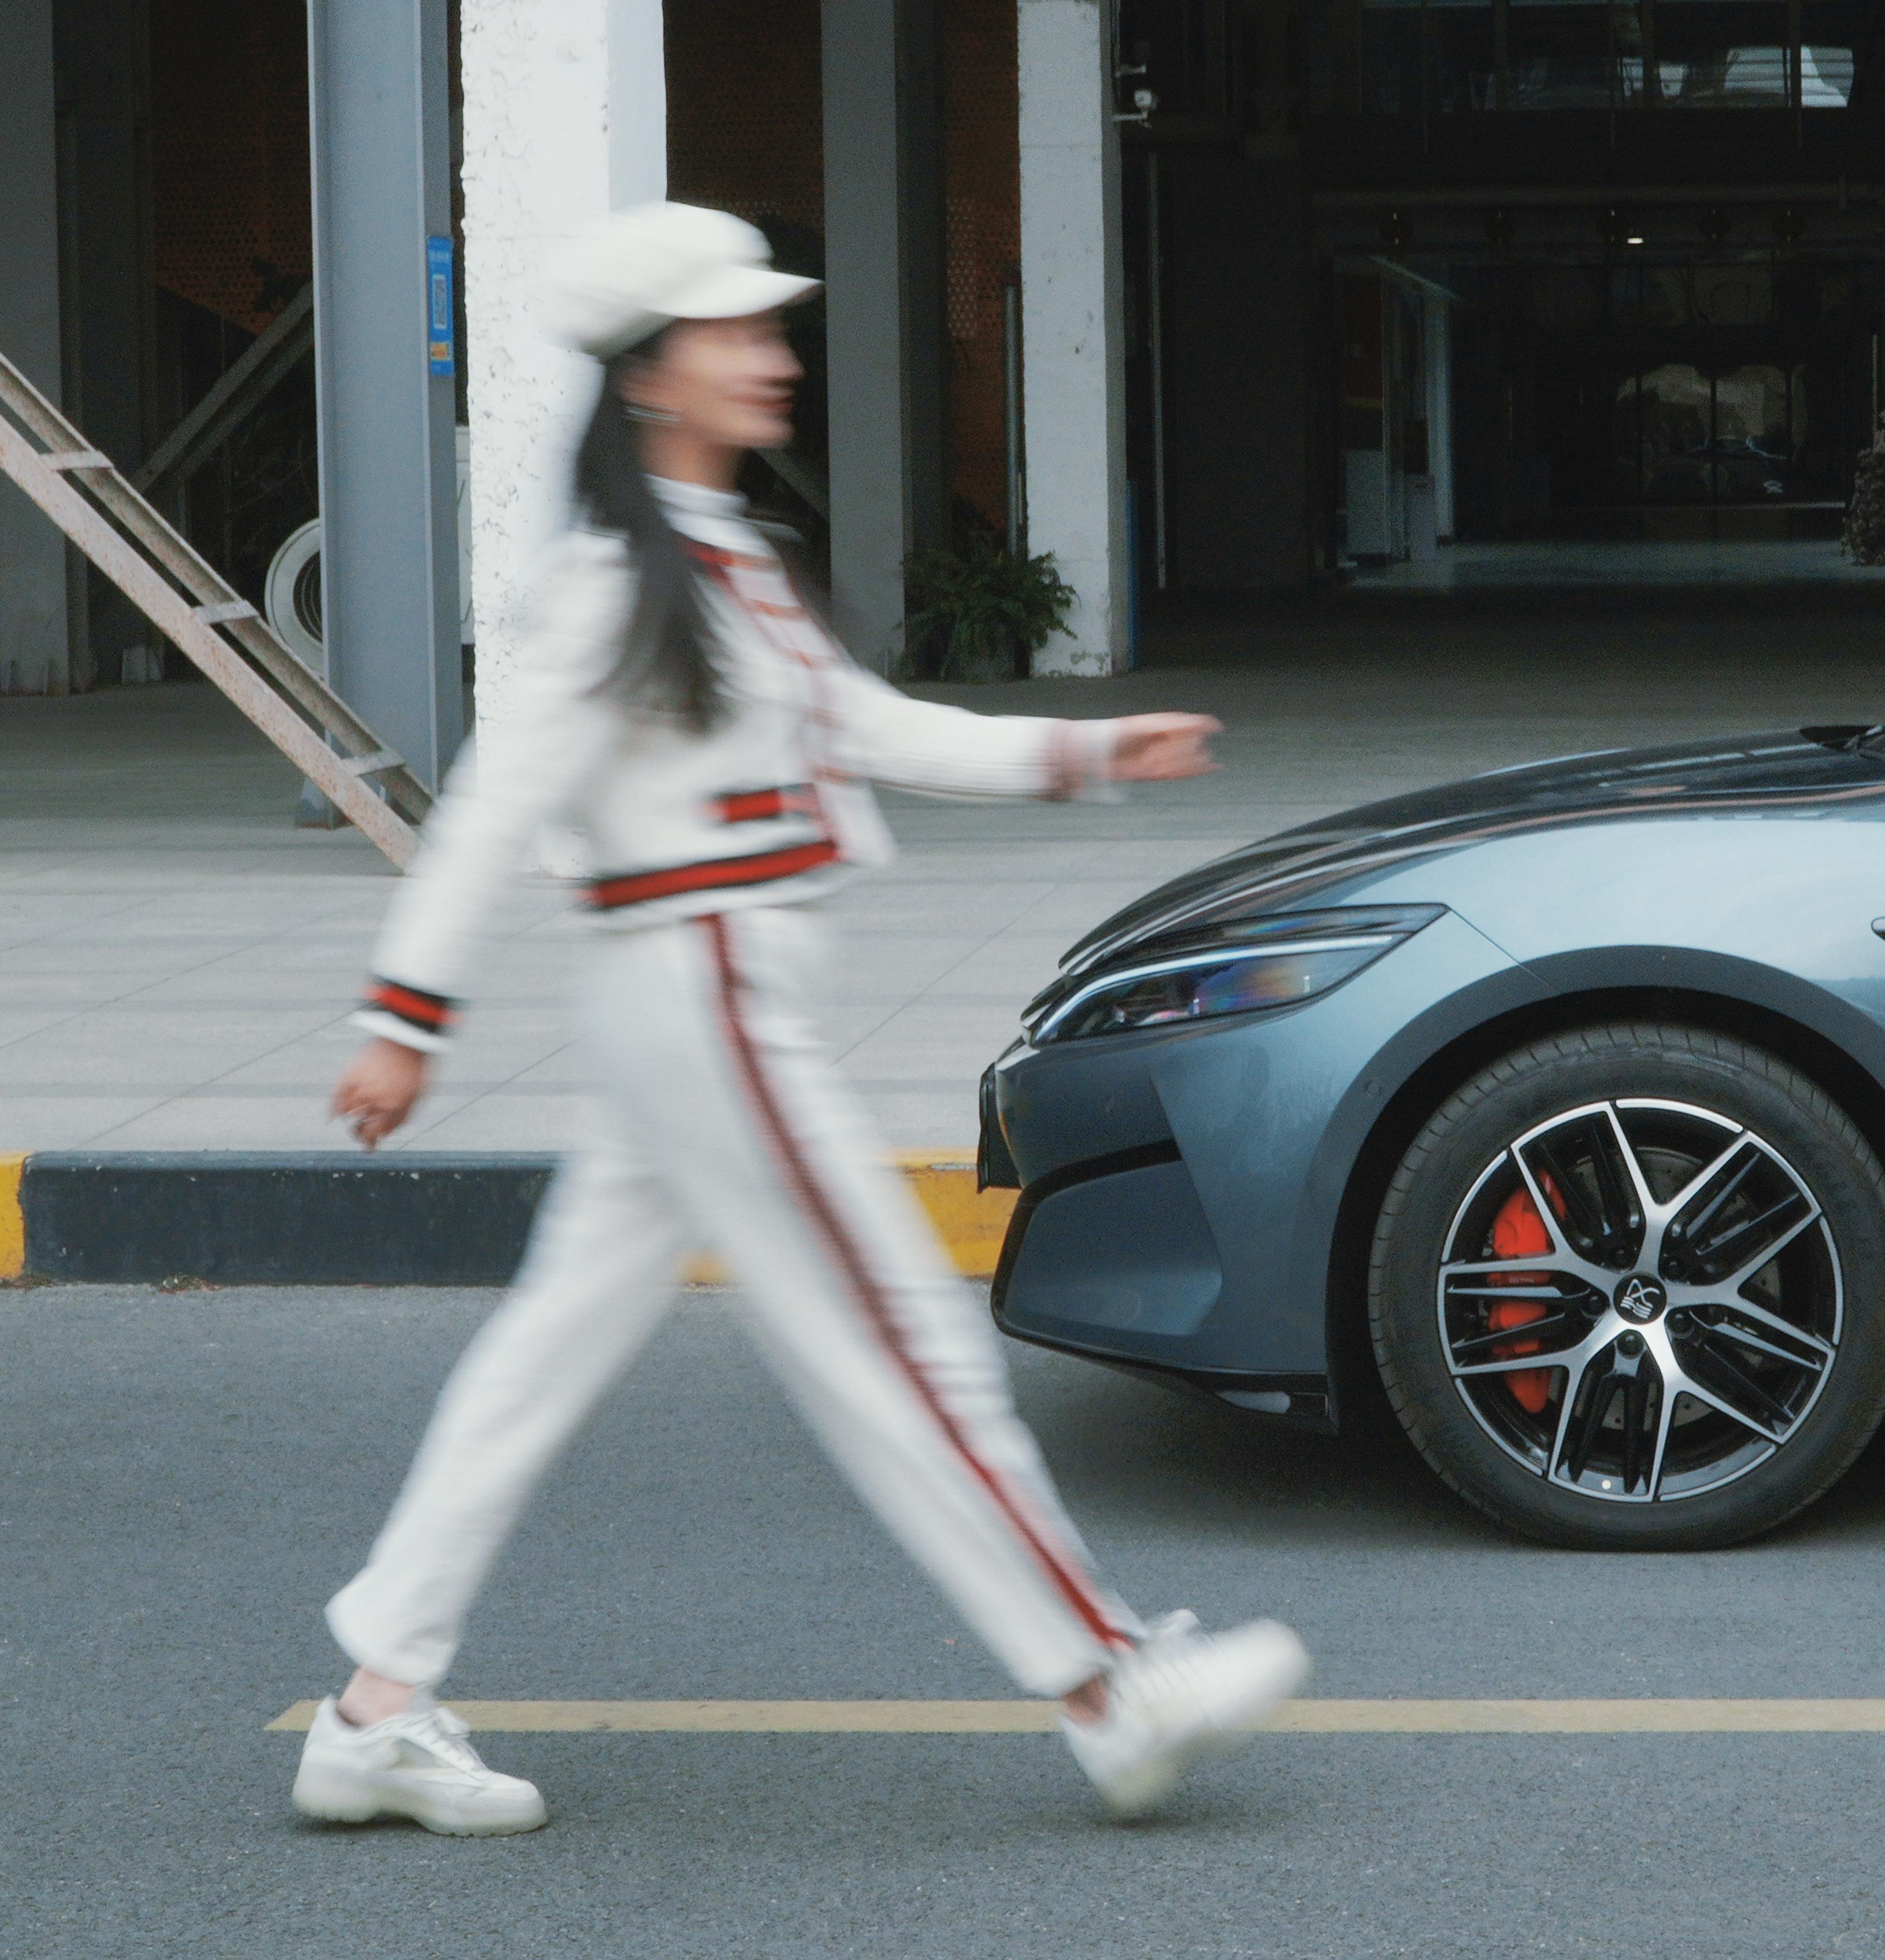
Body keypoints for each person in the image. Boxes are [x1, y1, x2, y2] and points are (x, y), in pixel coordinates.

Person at [290, 203, 1306, 1837]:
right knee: (906, 1350)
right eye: (736, 331)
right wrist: (404, 1018)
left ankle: (371, 1712)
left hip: (695, 1002)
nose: (773, 356)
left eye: (768, 328)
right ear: (649, 376)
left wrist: (1085, 752)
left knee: (543, 1359)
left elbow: (871, 729)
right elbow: (493, 806)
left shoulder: (724, 562)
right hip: (704, 994)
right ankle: (1109, 1688)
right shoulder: (619, 585)